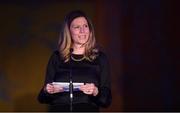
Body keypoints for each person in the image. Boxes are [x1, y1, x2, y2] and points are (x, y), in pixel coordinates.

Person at [37, 10, 112, 112]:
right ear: (68, 31)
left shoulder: (100, 58)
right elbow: (42, 98)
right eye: (77, 27)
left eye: (85, 26)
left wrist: (95, 91)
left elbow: (106, 100)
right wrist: (47, 90)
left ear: (90, 30)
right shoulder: (57, 57)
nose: (82, 31)